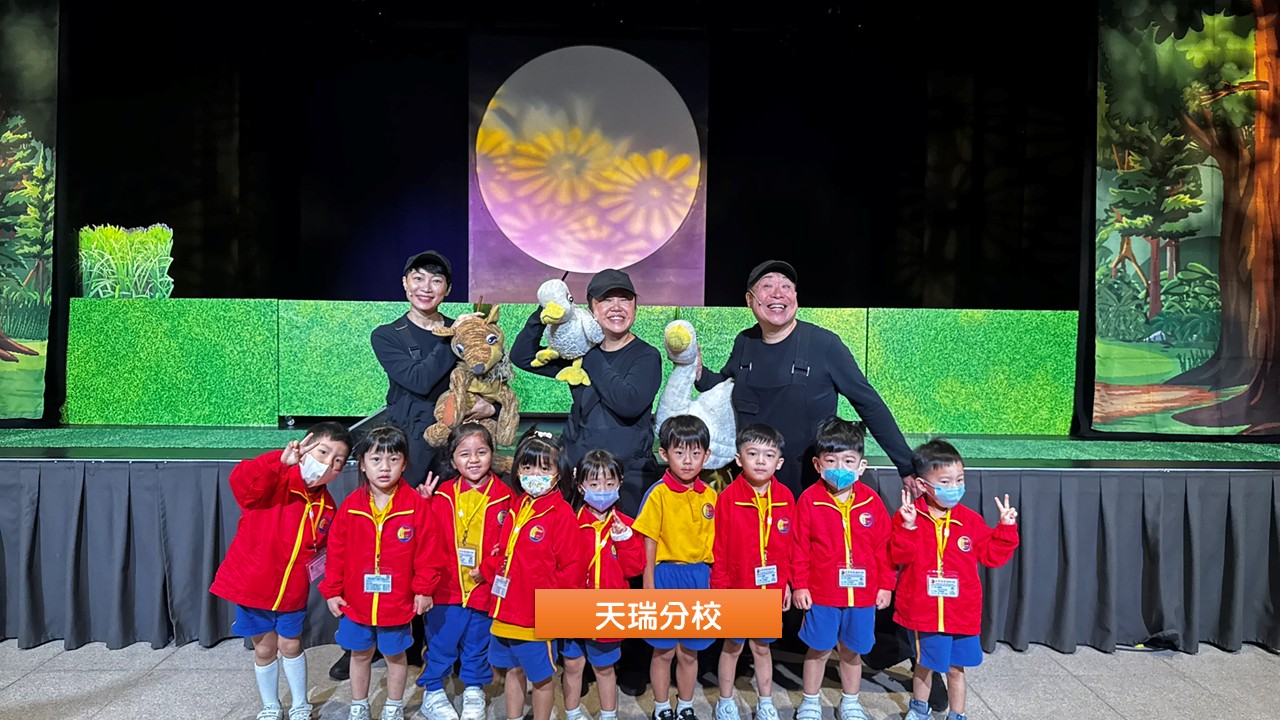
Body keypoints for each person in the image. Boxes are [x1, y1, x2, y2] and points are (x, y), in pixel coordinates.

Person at [356, 250, 489, 681]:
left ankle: (450, 640)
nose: (426, 287)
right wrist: (454, 341)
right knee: (399, 542)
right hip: (410, 449)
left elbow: (486, 375)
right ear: (405, 283)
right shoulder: (387, 335)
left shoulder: (465, 329)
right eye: (418, 278)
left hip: (456, 448)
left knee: (452, 540)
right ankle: (384, 636)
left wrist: (488, 405)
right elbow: (417, 380)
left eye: (436, 281)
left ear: (447, 290)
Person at [694, 260, 915, 495]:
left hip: (809, 492)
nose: (778, 293)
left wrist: (907, 466)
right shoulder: (744, 342)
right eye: (767, 286)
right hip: (752, 489)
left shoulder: (825, 344)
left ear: (795, 297)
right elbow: (724, 388)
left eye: (786, 287)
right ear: (750, 299)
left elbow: (869, 404)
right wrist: (697, 372)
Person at [210, 423, 352, 720]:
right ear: (305, 449)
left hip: (292, 592)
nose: (328, 463)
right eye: (323, 452)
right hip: (254, 587)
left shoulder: (327, 506)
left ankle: (300, 704)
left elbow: (328, 550)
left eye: (338, 460)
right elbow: (242, 483)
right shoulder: (276, 479)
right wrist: (277, 461)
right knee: (264, 650)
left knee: (291, 645)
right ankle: (270, 706)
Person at [511, 268, 662, 516]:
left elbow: (628, 403)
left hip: (626, 477)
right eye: (606, 300)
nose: (616, 307)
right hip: (578, 474)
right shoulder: (575, 354)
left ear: (635, 306)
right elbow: (522, 356)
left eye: (625, 299)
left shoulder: (646, 355)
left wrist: (588, 353)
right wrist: (549, 307)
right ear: (591, 308)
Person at [319, 425, 446, 720]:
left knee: (395, 656)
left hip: (397, 603)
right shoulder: (351, 507)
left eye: (393, 459)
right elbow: (336, 553)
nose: (385, 467)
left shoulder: (415, 506)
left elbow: (429, 552)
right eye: (376, 459)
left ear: (404, 463)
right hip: (357, 602)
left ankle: (394, 705)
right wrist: (332, 590)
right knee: (360, 654)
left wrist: (424, 589)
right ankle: (359, 704)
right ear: (363, 464)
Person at [892, 439, 1020, 720]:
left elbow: (991, 556)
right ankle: (919, 710)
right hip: (924, 612)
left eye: (959, 480)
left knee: (956, 669)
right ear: (923, 485)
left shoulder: (970, 520)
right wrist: (908, 527)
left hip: (961, 612)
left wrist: (1005, 529)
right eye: (945, 482)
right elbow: (899, 556)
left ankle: (958, 714)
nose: (954, 488)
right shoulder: (909, 516)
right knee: (924, 665)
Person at [480, 428, 588, 720]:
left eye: (544, 468)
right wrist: (486, 571)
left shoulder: (561, 515)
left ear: (558, 472)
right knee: (513, 671)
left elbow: (573, 569)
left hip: (536, 617)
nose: (534, 475)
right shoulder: (518, 506)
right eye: (527, 467)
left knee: (540, 679)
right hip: (505, 611)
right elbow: (504, 554)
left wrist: (555, 610)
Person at [791, 417, 893, 720]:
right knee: (819, 650)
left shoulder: (872, 502)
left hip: (862, 597)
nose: (840, 468)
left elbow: (883, 549)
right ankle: (810, 701)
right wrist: (800, 584)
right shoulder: (809, 501)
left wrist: (885, 584)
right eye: (831, 461)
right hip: (822, 595)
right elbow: (799, 547)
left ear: (861, 466)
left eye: (848, 461)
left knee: (851, 651)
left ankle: (850, 702)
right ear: (817, 464)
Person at [417, 423, 515, 720]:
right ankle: (433, 691)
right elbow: (424, 539)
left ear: (492, 454)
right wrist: (423, 505)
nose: (473, 460)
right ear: (452, 459)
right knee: (441, 643)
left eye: (481, 452)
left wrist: (487, 569)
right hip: (446, 587)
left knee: (477, 643)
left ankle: (473, 688)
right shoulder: (442, 495)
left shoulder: (506, 497)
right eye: (464, 454)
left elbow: (508, 547)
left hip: (484, 588)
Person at [632, 415, 718, 720]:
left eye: (696, 453)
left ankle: (685, 704)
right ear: (664, 453)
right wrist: (649, 586)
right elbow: (649, 542)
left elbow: (716, 544)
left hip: (699, 577)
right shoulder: (658, 493)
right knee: (664, 650)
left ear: (707, 455)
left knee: (689, 651)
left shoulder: (711, 496)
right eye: (679, 453)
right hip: (665, 576)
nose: (688, 461)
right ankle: (661, 707)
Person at [710, 424, 795, 720]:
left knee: (762, 648)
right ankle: (725, 700)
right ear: (738, 458)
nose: (761, 461)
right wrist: (720, 589)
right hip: (737, 589)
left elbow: (789, 547)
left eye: (769, 455)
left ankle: (766, 702)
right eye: (753, 453)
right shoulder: (727, 498)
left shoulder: (786, 497)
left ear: (779, 462)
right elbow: (719, 548)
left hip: (769, 590)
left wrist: (786, 583)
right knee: (732, 646)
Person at [561, 449, 646, 720]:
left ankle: (609, 715)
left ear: (620, 484)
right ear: (580, 486)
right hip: (573, 608)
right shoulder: (569, 524)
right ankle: (573, 713)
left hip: (609, 610)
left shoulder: (627, 526)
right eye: (594, 484)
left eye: (609, 483)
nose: (602, 490)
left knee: (605, 669)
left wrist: (625, 541)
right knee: (573, 665)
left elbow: (635, 568)